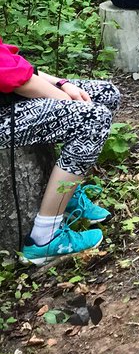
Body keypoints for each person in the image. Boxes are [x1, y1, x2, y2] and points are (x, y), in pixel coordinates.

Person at [1, 34, 120, 265]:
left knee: (106, 94)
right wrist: (67, 99)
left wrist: (61, 83)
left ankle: (66, 194)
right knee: (93, 118)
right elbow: (10, 76)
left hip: (8, 98)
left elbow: (12, 61)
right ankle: (44, 238)